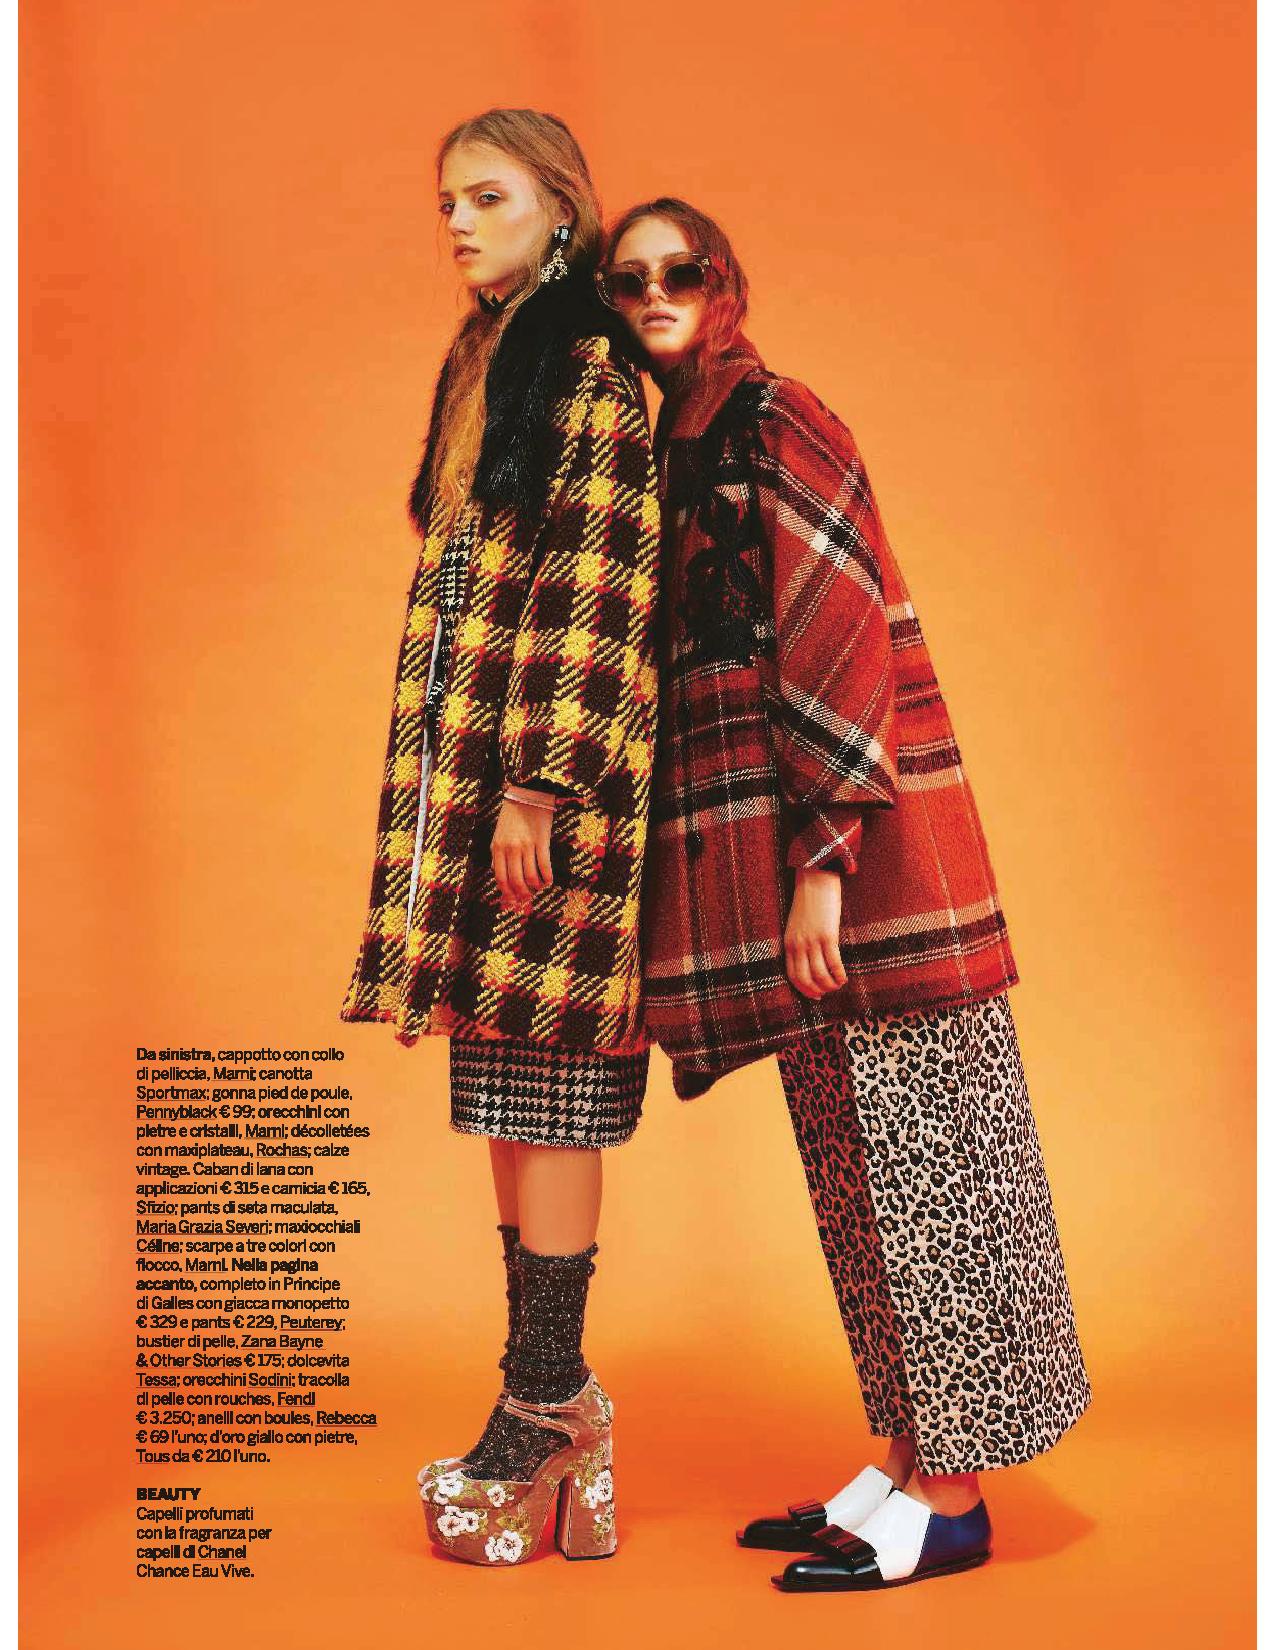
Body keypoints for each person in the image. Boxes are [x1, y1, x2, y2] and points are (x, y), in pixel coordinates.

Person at [597, 197, 1091, 1592]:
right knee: (857, 1170)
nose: (655, 292)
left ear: (728, 285)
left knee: (936, 1165)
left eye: (681, 270)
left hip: (867, 864)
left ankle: (954, 1499)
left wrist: (820, 863)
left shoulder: (777, 418)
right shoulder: (682, 442)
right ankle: (902, 1456)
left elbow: (841, 631)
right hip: (799, 870)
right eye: (629, 278)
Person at [341, 111, 660, 1567]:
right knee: (509, 1089)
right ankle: (552, 1403)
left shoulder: (583, 363)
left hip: (548, 794)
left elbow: (599, 582)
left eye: (489, 196)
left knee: (557, 1085)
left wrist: (540, 782)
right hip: (483, 795)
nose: (460, 223)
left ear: (562, 211)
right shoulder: (492, 358)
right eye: (448, 202)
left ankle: (544, 1406)